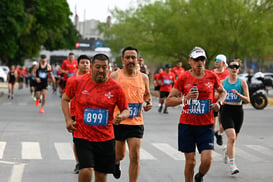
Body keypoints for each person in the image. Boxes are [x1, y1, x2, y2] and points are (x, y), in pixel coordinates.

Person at [61, 53, 130, 182]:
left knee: (101, 175)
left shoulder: (116, 87)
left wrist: (121, 116)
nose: (101, 70)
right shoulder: (77, 82)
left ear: (109, 68)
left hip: (105, 138)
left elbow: (126, 109)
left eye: (104, 67)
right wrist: (68, 120)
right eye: (97, 67)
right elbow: (65, 99)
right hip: (83, 135)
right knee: (86, 169)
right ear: (91, 67)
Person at [165, 46, 226, 182]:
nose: (199, 62)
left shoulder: (212, 76)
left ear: (205, 61)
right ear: (190, 61)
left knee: (207, 159)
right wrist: (184, 99)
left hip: (206, 125)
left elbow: (223, 92)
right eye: (196, 59)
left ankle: (199, 176)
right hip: (187, 125)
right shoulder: (183, 77)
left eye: (202, 59)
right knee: (191, 161)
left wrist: (219, 104)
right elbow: (168, 101)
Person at [110, 46, 152, 182]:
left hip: (136, 122)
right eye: (127, 57)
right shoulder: (115, 76)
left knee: (135, 156)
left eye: (133, 57)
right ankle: (116, 163)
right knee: (119, 155)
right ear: (122, 60)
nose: (130, 60)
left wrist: (148, 103)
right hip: (118, 122)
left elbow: (147, 96)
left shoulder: (144, 78)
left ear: (138, 60)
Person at [221, 59, 250, 175]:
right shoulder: (223, 82)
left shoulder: (242, 83)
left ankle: (227, 152)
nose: (234, 69)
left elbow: (248, 100)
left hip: (238, 111)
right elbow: (217, 95)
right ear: (227, 68)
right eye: (232, 66)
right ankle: (233, 165)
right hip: (226, 110)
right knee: (232, 138)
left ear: (238, 70)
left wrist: (238, 95)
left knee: (233, 140)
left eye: (236, 67)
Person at [66, 55, 91, 174]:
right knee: (77, 140)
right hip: (76, 113)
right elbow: (66, 98)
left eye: (87, 62)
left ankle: (89, 161)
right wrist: (68, 119)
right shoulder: (73, 80)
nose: (85, 65)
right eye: (83, 63)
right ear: (78, 64)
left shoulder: (94, 77)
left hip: (91, 113)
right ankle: (78, 162)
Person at [212, 54, 230, 145]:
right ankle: (211, 140)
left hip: (224, 101)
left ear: (223, 63)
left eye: (218, 61)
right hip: (213, 101)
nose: (216, 62)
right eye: (215, 60)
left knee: (223, 123)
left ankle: (219, 133)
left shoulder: (227, 74)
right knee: (213, 124)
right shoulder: (212, 73)